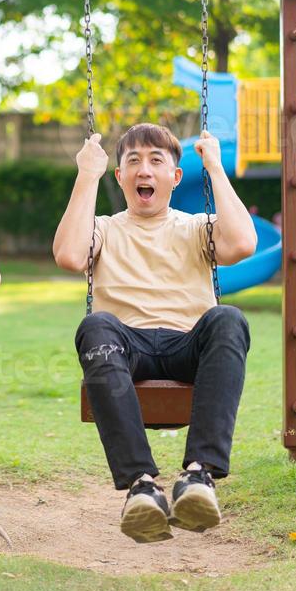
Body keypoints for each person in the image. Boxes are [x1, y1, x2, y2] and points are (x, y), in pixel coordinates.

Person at [53, 123, 256, 544]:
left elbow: (242, 245)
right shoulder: (106, 228)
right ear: (121, 177)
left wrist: (215, 168)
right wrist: (86, 174)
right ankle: (141, 485)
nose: (144, 170)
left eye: (156, 161)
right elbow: (70, 255)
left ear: (174, 177)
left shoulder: (197, 226)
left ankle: (198, 476)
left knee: (228, 318)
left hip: (188, 343)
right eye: (133, 162)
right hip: (127, 344)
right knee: (96, 325)